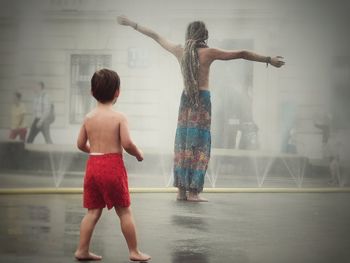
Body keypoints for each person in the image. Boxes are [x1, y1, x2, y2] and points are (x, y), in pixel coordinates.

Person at [117, 16, 285, 201]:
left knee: (183, 144)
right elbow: (243, 53)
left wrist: (132, 24)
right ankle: (193, 192)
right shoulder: (209, 53)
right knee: (199, 146)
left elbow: (155, 36)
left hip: (186, 99)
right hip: (202, 102)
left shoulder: (180, 51)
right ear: (204, 35)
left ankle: (181, 191)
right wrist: (269, 59)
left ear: (188, 34)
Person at [74, 69, 150, 262]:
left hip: (93, 165)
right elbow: (127, 143)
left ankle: (82, 250)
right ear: (117, 92)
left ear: (92, 92)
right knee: (124, 211)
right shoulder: (119, 117)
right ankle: (134, 251)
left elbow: (80, 144)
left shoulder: (89, 117)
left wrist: (94, 150)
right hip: (112, 165)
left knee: (92, 212)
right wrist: (139, 153)